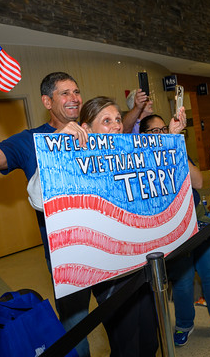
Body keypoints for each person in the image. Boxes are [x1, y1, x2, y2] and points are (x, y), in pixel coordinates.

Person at [0, 72, 92, 356]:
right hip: (67, 256)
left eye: (76, 91)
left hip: (110, 245)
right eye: (65, 93)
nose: (74, 98)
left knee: (124, 318)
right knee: (77, 329)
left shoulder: (92, 131)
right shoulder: (30, 141)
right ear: (47, 101)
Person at [139, 114, 210, 347]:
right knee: (183, 279)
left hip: (197, 219)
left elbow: (197, 182)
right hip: (172, 225)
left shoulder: (177, 151)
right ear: (143, 137)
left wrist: (175, 149)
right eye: (154, 132)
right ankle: (184, 324)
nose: (162, 134)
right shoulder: (142, 162)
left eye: (164, 129)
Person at [77, 97, 160, 357]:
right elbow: (37, 195)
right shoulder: (75, 163)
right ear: (87, 129)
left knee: (150, 338)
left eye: (117, 120)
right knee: (127, 344)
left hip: (141, 262)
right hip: (109, 270)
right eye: (106, 121)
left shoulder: (130, 156)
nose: (116, 126)